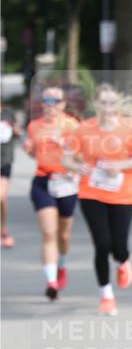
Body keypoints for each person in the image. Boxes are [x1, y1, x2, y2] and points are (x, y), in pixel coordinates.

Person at [63, 84, 132, 316]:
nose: (108, 108)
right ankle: (106, 295)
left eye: (112, 103)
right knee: (102, 243)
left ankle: (122, 261)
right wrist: (77, 166)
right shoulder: (83, 129)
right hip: (92, 192)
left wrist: (119, 165)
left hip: (123, 194)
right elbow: (66, 159)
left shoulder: (128, 127)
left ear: (117, 105)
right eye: (103, 103)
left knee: (119, 246)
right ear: (95, 103)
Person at [23, 86, 80, 299]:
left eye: (54, 100)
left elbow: (81, 156)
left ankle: (62, 265)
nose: (49, 104)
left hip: (66, 182)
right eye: (45, 100)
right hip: (43, 181)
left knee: (63, 235)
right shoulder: (34, 126)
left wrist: (63, 143)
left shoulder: (72, 125)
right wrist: (29, 150)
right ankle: (51, 281)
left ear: (63, 104)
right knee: (48, 233)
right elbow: (35, 154)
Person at [1, 101, 20, 248]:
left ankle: (3, 229)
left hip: (4, 160)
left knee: (1, 197)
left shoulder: (8, 113)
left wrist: (15, 130)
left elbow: (17, 133)